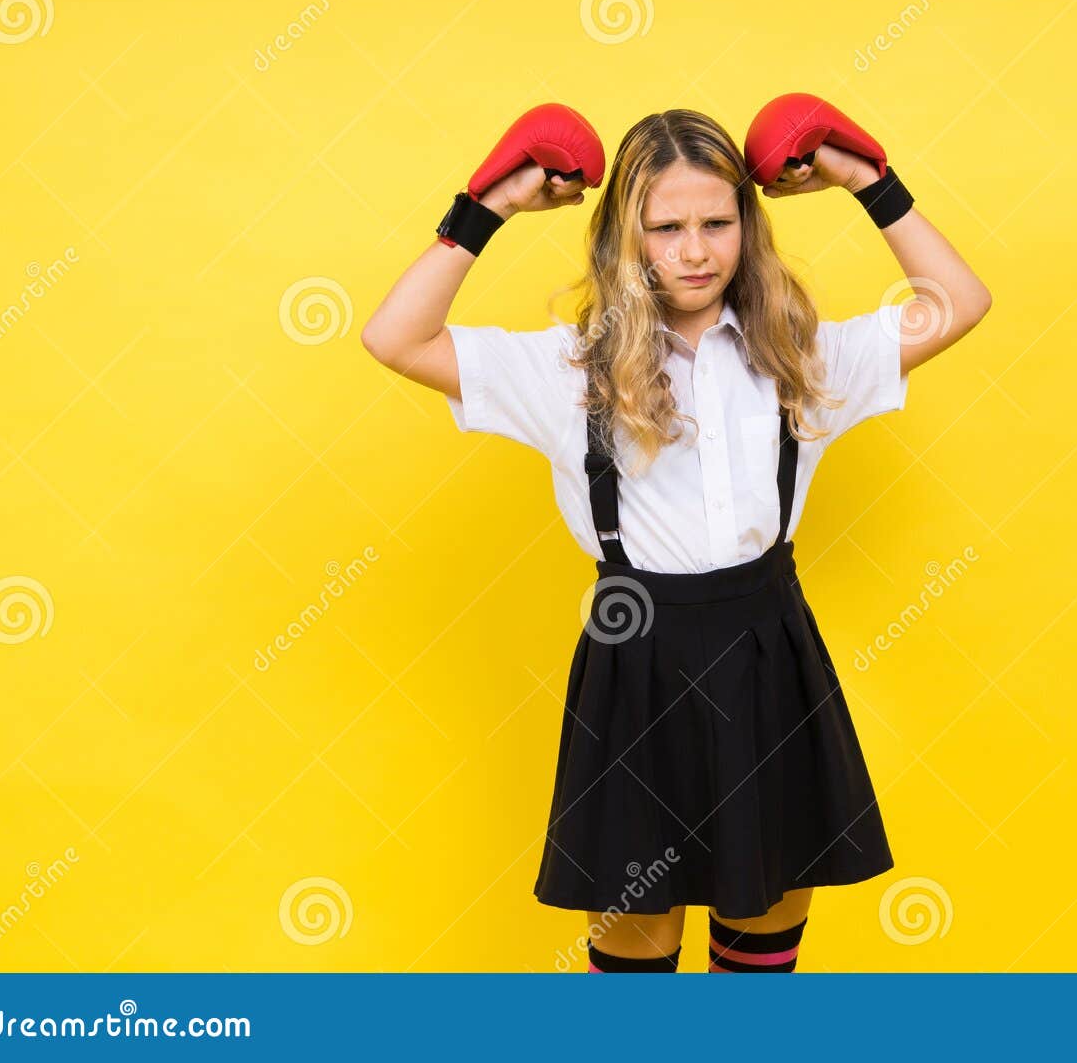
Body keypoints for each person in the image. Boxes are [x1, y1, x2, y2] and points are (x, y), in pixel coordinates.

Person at [362, 104, 991, 972]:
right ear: (627, 235)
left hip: (771, 654)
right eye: (665, 228)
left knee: (761, 959)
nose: (694, 251)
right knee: (634, 978)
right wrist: (488, 207)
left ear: (749, 225)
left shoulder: (799, 355)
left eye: (716, 223)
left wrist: (864, 179)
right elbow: (394, 336)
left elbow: (959, 302)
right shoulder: (568, 368)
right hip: (636, 661)